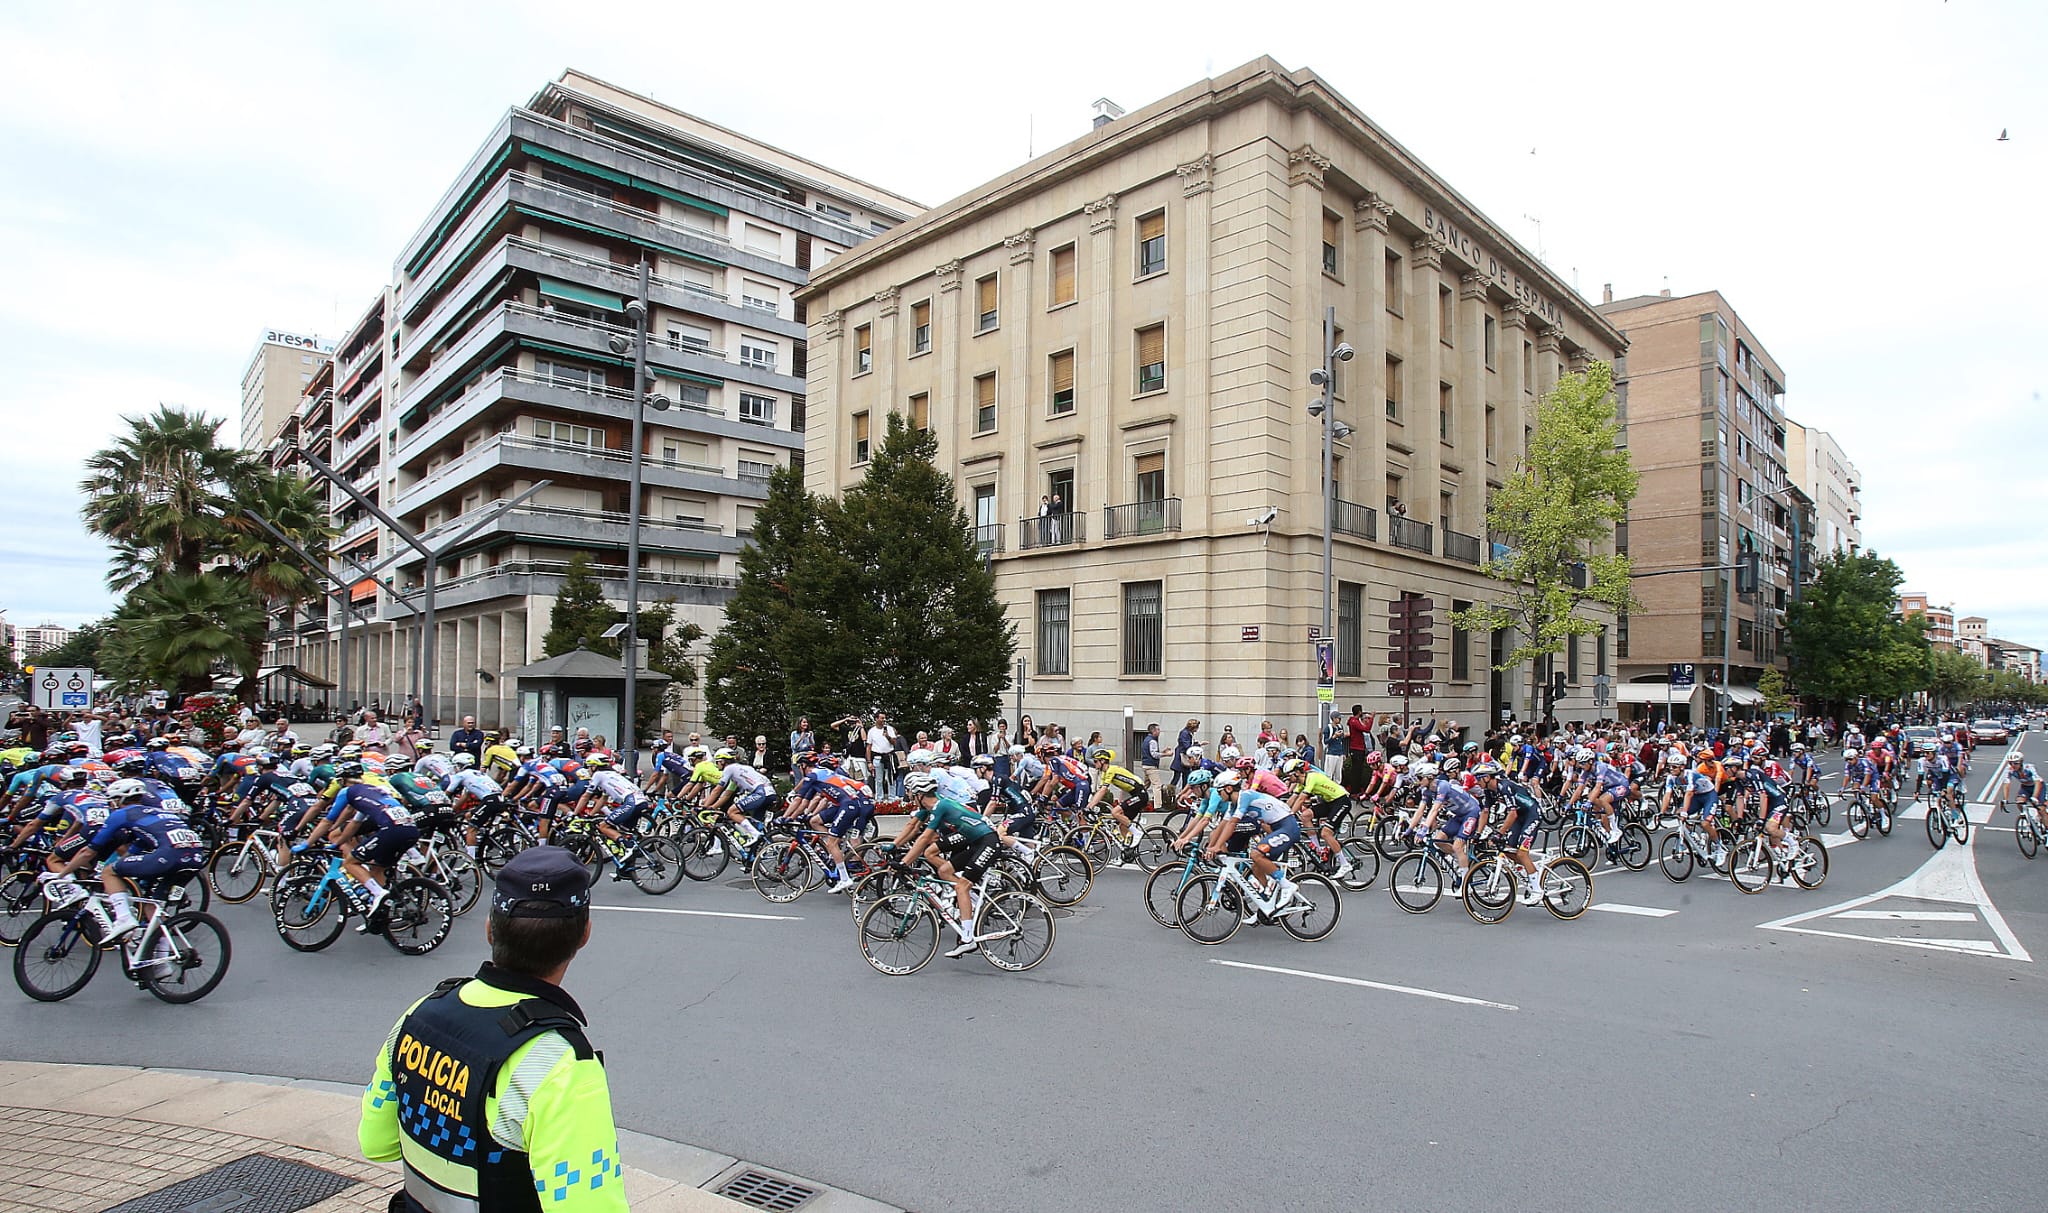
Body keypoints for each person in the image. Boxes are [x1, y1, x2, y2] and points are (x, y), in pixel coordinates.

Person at [359, 845, 626, 1213]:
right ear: (584, 935)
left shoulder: (419, 1015)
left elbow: (376, 1142)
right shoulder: (560, 1065)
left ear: (489, 929)